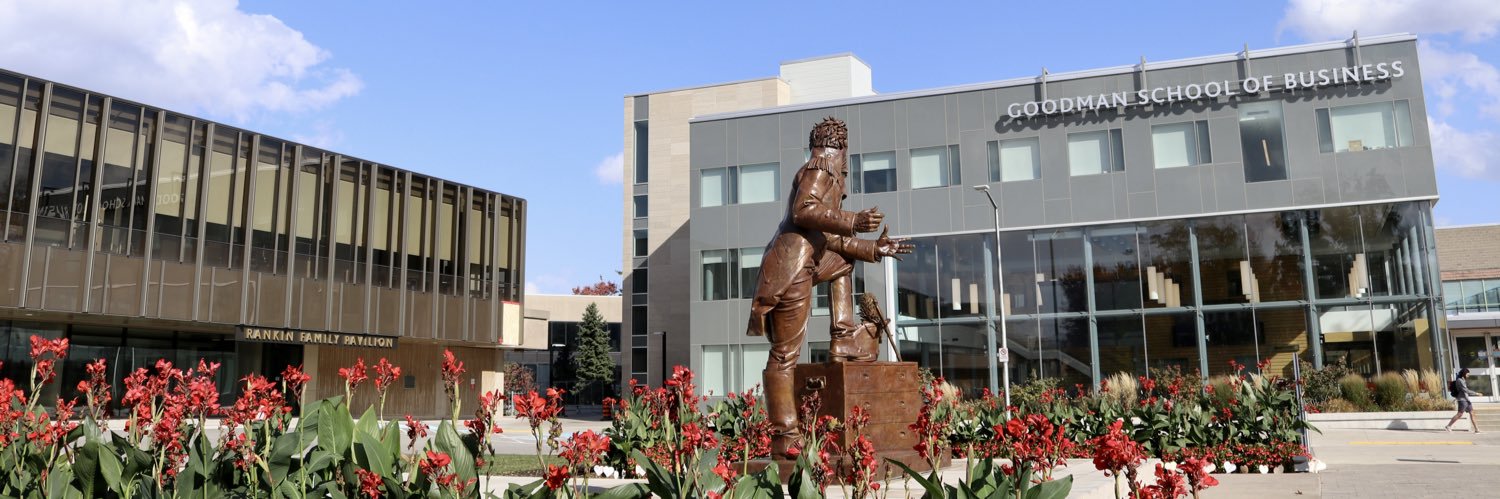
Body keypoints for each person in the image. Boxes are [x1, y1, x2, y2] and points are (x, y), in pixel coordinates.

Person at [745, 117, 913, 457]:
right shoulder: (820, 167)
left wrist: (873, 249)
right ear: (839, 148)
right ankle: (785, 435)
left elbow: (834, 241)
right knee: (783, 356)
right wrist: (853, 220)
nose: (845, 165)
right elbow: (803, 210)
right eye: (845, 154)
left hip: (808, 263)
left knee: (843, 263)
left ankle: (843, 339)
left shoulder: (828, 172)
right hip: (790, 271)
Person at [1445, 368, 1482, 433]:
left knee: (1472, 413)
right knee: (1459, 414)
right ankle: (1448, 426)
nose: (1468, 375)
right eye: (1467, 374)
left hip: (1466, 399)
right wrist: (1476, 393)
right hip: (1462, 400)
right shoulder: (1459, 380)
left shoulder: (1463, 380)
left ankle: (1476, 429)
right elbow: (1465, 390)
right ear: (1464, 374)